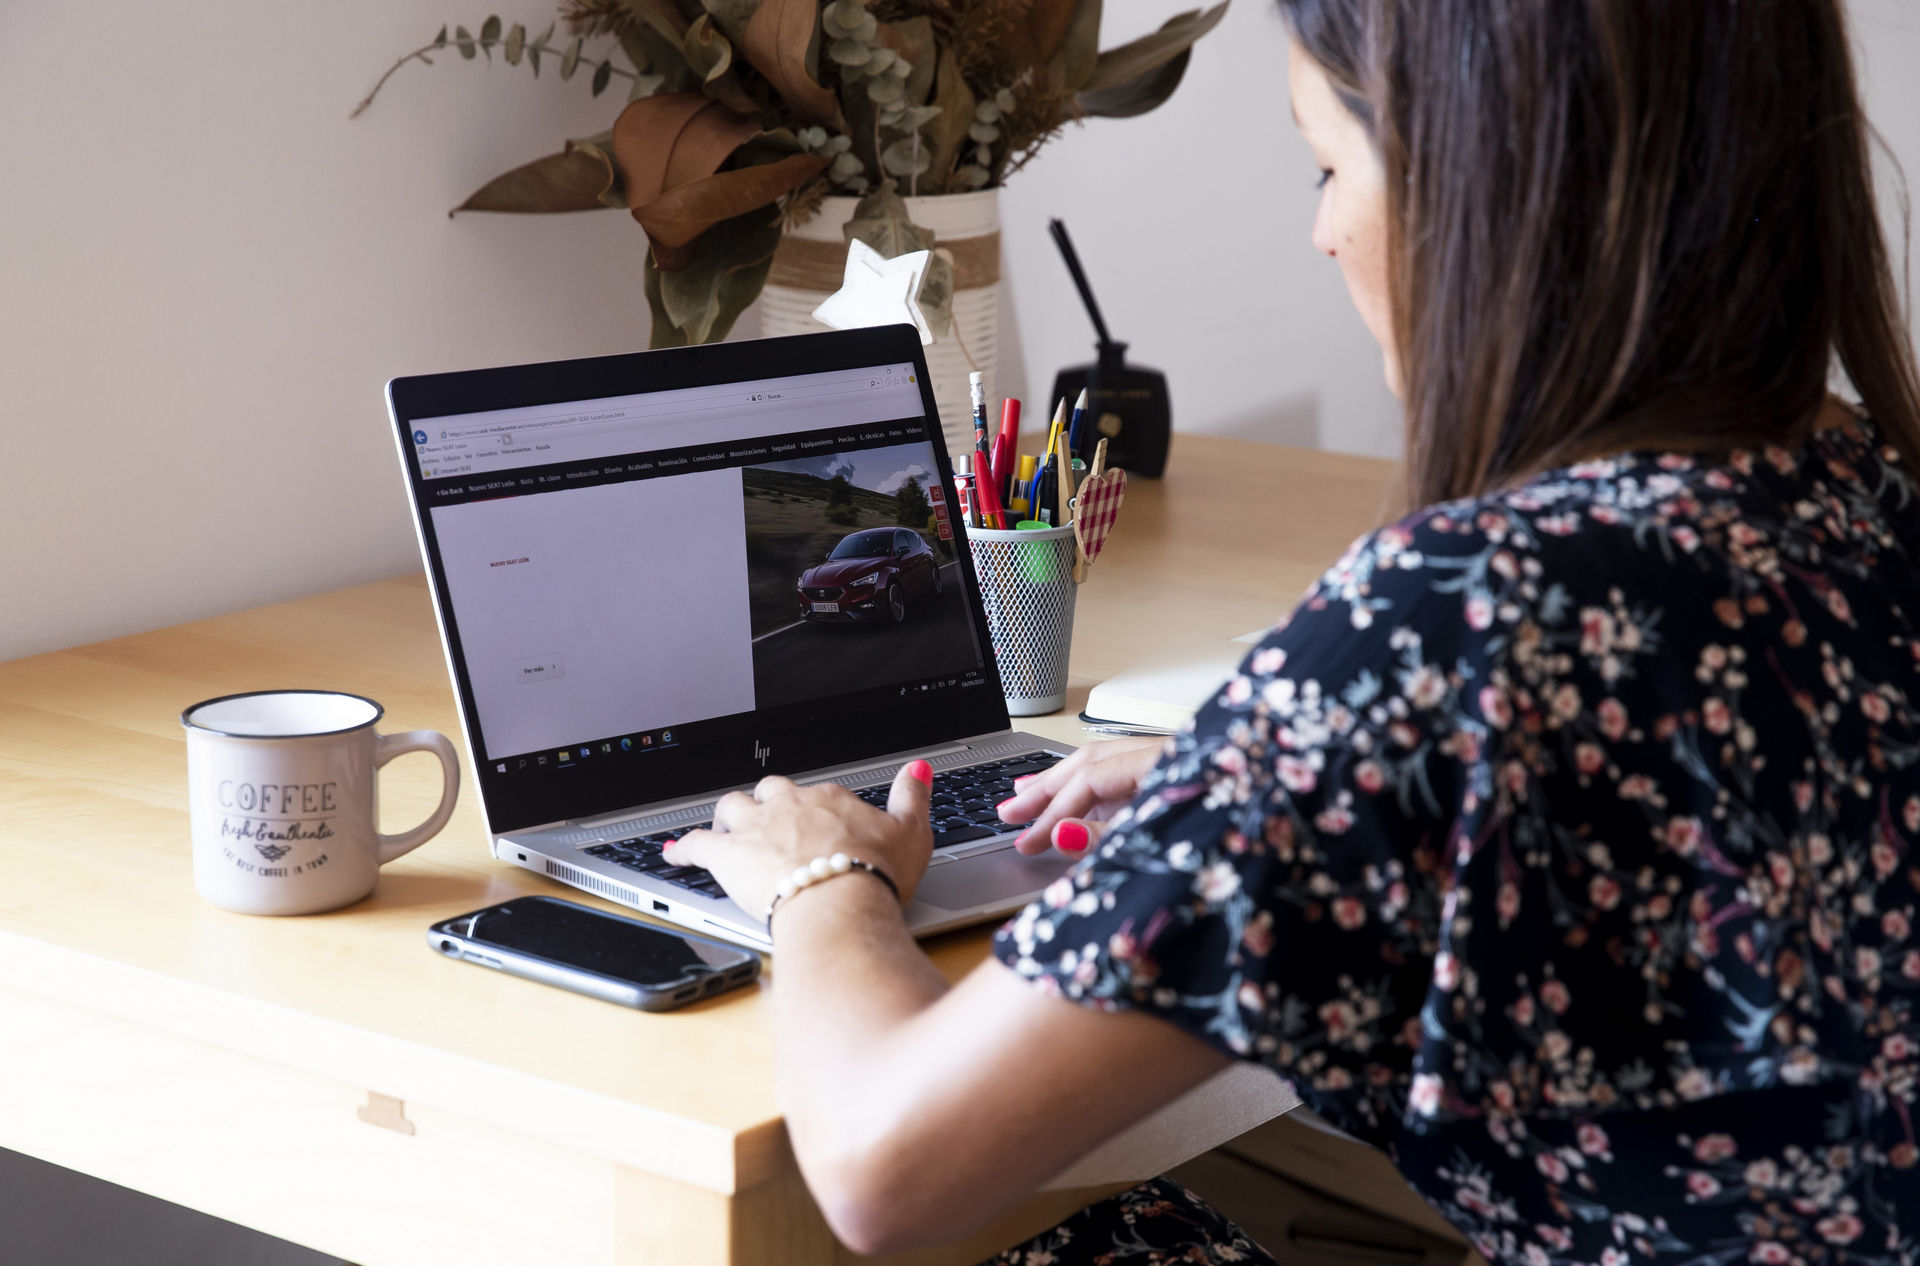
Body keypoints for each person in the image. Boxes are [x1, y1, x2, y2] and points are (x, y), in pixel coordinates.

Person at [664, 0, 1920, 1260]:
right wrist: (1287, 778)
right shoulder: (1859, 475)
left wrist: (825, 880)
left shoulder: (1464, 614)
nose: (1321, 231)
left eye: (1330, 167)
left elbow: (888, 1164)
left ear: (1484, 183)